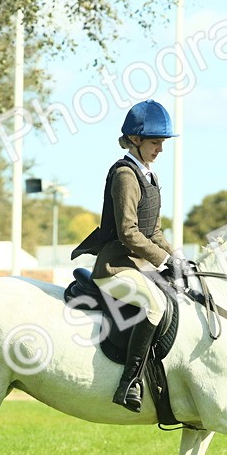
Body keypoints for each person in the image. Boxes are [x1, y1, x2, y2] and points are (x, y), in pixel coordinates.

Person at [70, 99, 182, 413]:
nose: (160, 148)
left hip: (135, 263)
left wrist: (177, 259)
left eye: (162, 142)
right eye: (155, 142)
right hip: (113, 266)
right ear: (136, 139)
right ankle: (129, 383)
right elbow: (128, 233)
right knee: (155, 304)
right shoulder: (125, 175)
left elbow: (155, 231)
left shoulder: (149, 176)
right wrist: (162, 260)